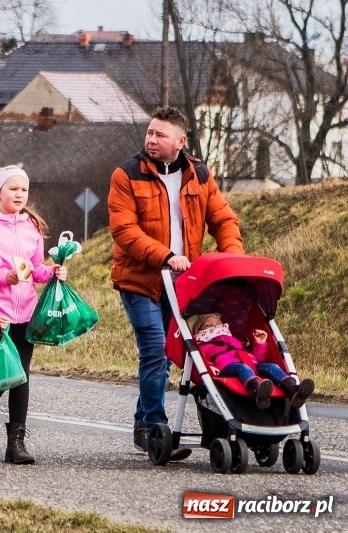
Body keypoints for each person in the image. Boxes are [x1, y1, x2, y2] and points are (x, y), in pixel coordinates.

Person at [108, 106, 244, 458]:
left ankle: (144, 426)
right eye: (150, 133)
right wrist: (165, 256)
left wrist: (232, 260)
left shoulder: (199, 174)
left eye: (160, 135)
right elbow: (124, 231)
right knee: (154, 348)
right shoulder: (126, 175)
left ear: (180, 141)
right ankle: (154, 425)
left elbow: (223, 220)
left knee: (171, 354)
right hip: (140, 279)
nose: (151, 140)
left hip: (182, 282)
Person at [0, 165, 67, 465]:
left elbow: (36, 268)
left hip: (25, 312)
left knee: (21, 376)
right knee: (3, 373)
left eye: (23, 190)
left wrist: (52, 271)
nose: (19, 194)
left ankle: (16, 443)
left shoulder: (32, 227)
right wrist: (4, 277)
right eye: (13, 189)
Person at [191, 313, 315, 409]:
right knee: (244, 369)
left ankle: (294, 390)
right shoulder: (203, 345)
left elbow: (256, 358)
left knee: (272, 367)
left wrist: (260, 344)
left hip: (250, 364)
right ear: (199, 331)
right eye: (207, 325)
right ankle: (257, 391)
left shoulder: (233, 340)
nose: (214, 327)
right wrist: (209, 367)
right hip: (227, 367)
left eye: (217, 324)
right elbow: (201, 359)